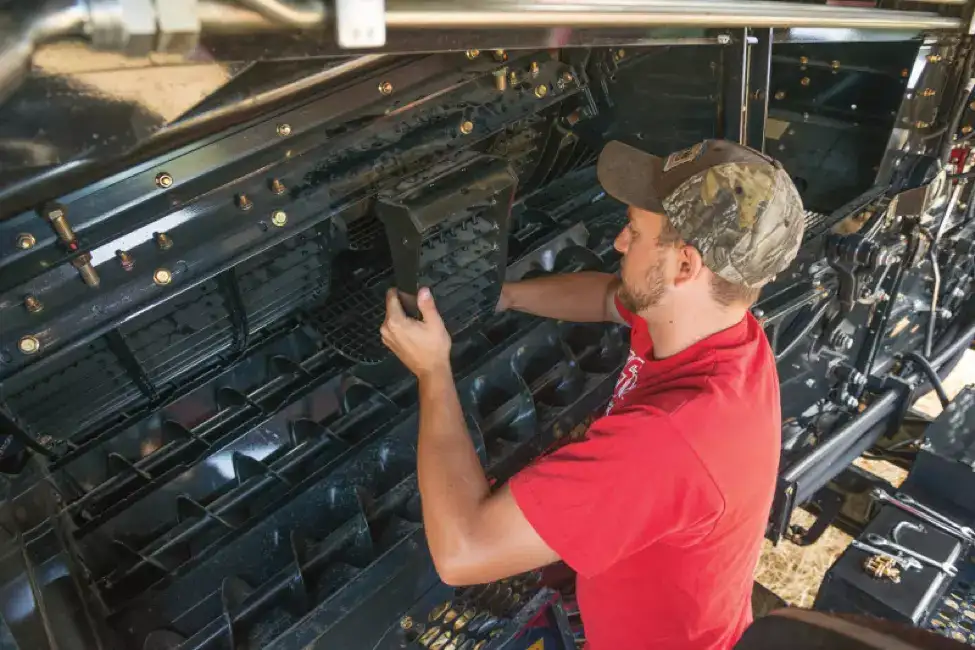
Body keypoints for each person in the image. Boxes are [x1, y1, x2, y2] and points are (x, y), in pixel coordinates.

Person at [380, 138, 805, 650]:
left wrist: (432, 371)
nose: (620, 242)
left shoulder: (671, 440)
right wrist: (503, 296)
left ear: (686, 266)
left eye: (636, 230)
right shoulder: (717, 327)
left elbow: (462, 553)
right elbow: (611, 297)